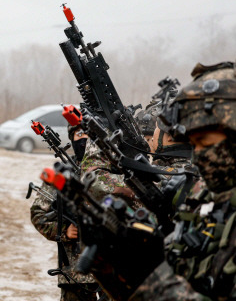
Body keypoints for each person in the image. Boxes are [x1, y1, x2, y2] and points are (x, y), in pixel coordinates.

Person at [92, 62, 236, 300]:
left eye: (206, 142)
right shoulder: (212, 199)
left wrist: (154, 284)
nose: (198, 154)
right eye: (194, 144)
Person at [31, 125, 107, 301]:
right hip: (74, 273)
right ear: (71, 138)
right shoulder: (63, 174)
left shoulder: (112, 170)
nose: (84, 139)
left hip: (110, 270)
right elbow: (38, 214)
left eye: (89, 133)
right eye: (78, 134)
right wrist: (63, 231)